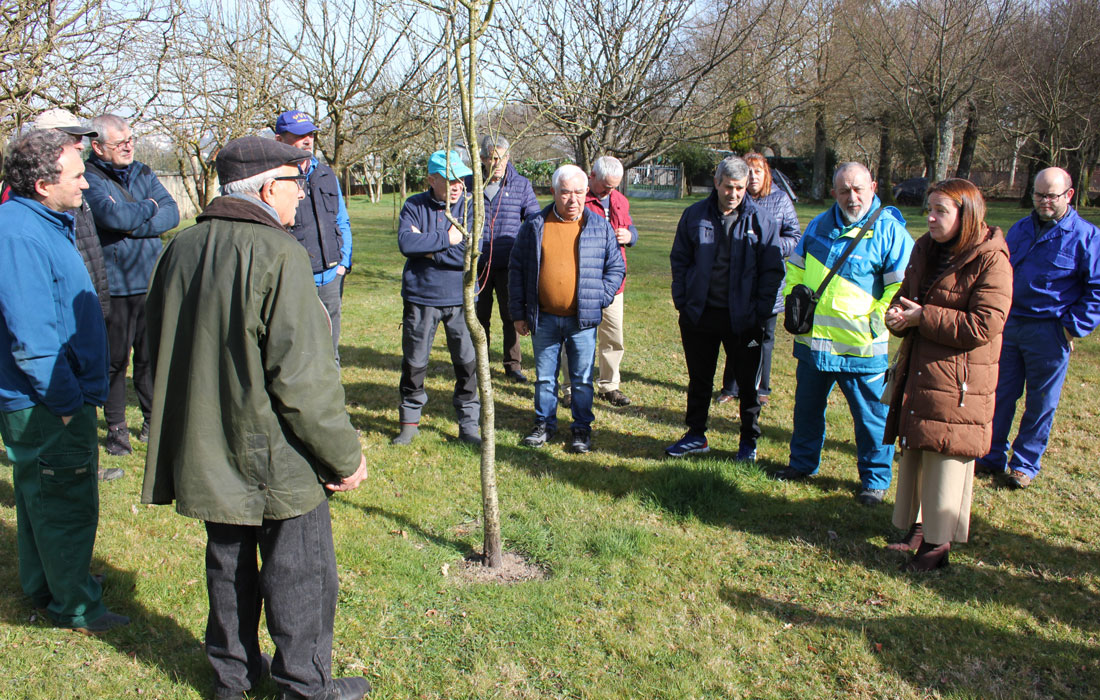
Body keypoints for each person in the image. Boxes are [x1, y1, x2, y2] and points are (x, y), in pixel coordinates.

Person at [142, 135, 370, 700]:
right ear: (269, 187)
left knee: (228, 565)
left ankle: (232, 680)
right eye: (296, 183)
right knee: (302, 574)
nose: (301, 196)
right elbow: (302, 379)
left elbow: (149, 353)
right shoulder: (279, 253)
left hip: (206, 445)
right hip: (278, 453)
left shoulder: (182, 246)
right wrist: (345, 456)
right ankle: (303, 686)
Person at [0, 129, 128, 633]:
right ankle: (76, 606)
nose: (86, 186)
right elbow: (32, 333)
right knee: (66, 502)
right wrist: (68, 402)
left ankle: (46, 583)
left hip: (50, 397)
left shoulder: (41, 222)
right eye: (77, 177)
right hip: (49, 400)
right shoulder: (19, 234)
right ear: (40, 183)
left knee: (39, 496)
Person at [882, 179, 1013, 571]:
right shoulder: (925, 248)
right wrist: (898, 318)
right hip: (922, 369)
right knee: (919, 451)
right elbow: (907, 296)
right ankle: (920, 530)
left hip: (960, 381)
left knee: (946, 459)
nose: (931, 218)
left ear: (966, 215)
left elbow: (984, 325)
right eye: (929, 210)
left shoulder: (992, 260)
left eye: (941, 211)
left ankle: (937, 549)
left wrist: (924, 317)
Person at [771, 162, 914, 505]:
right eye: (845, 190)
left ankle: (874, 482)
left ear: (873, 187)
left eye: (859, 189)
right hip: (813, 346)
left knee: (871, 420)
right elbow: (797, 268)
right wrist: (795, 304)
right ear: (834, 191)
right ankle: (802, 465)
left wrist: (874, 323)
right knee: (806, 411)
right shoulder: (820, 224)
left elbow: (902, 288)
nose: (852, 197)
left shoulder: (890, 232)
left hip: (861, 349)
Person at [974, 167, 1100, 489]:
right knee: (1000, 395)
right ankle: (990, 456)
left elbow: (1097, 290)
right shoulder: (1019, 229)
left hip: (1050, 331)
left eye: (1051, 196)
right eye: (1039, 194)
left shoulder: (1086, 237)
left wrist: (1071, 329)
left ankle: (1024, 465)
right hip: (1011, 326)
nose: (1044, 201)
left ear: (1069, 195)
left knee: (1041, 403)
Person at [666, 156, 784, 460]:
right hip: (700, 315)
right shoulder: (694, 216)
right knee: (700, 379)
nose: (734, 194)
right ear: (716, 183)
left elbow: (772, 271)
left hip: (744, 319)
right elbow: (679, 259)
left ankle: (748, 441)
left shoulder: (762, 221)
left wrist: (759, 311)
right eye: (728, 187)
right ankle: (695, 435)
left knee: (747, 384)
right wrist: (682, 300)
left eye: (740, 188)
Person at [509, 164, 624, 453]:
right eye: (565, 193)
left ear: (587, 192)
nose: (572, 200)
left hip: (582, 319)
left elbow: (616, 268)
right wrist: (518, 313)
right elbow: (517, 269)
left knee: (583, 380)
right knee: (545, 377)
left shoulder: (598, 226)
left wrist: (600, 296)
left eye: (579, 193)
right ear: (553, 192)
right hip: (544, 317)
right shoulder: (535, 224)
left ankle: (581, 429)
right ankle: (544, 424)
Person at [84, 114, 179, 456]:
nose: (128, 147)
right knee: (114, 362)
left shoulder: (143, 172)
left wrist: (135, 219)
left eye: (131, 140)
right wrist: (147, 211)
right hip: (115, 285)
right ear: (97, 146)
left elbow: (172, 212)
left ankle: (152, 422)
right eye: (119, 142)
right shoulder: (89, 178)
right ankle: (116, 429)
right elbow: (111, 217)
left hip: (150, 280)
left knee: (151, 359)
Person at [393, 150, 481, 446]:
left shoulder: (471, 208)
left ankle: (469, 423)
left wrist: (428, 249)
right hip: (421, 297)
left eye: (461, 178)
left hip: (461, 297)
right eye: (449, 179)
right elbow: (406, 243)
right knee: (414, 363)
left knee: (467, 363)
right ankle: (409, 422)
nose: (458, 185)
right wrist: (447, 239)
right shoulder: (414, 205)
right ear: (431, 180)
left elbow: (470, 253)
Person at [717, 152, 801, 408]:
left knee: (764, 338)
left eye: (758, 171)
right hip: (736, 283)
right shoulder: (734, 201)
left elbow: (795, 237)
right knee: (734, 335)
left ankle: (760, 387)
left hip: (767, 283)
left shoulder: (780, 200)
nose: (753, 176)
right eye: (748, 171)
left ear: (767, 174)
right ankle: (730, 386)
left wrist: (770, 247)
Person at [273, 110, 354, 365]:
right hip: (296, 279)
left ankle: (331, 405)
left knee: (330, 352)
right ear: (279, 140)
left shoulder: (326, 174)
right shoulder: (275, 179)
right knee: (295, 353)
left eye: (310, 134)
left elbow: (342, 220)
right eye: (298, 135)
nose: (307, 140)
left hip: (331, 277)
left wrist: (343, 262)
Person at [560, 156, 639, 408]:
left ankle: (609, 385)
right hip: (582, 282)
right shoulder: (578, 199)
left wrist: (630, 235)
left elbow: (631, 228)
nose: (609, 191)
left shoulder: (620, 200)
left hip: (614, 283)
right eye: (606, 186)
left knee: (613, 337)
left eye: (614, 186)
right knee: (575, 336)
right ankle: (570, 387)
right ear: (591, 176)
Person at [465, 135, 540, 382]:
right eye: (493, 158)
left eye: (503, 158)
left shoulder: (520, 185)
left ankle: (512, 365)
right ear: (484, 159)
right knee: (479, 316)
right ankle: (480, 363)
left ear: (508, 157)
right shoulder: (470, 185)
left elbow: (534, 220)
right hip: (477, 263)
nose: (498, 163)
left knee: (511, 315)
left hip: (509, 264)